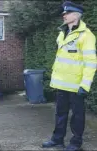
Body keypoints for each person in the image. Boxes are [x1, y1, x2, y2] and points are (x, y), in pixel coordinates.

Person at [42, 1, 97, 151]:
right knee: (60, 113)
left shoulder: (87, 36)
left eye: (67, 13)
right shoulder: (62, 33)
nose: (63, 15)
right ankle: (57, 139)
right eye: (64, 13)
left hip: (77, 85)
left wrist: (85, 85)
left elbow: (91, 62)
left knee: (77, 116)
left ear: (76, 15)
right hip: (61, 83)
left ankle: (75, 143)